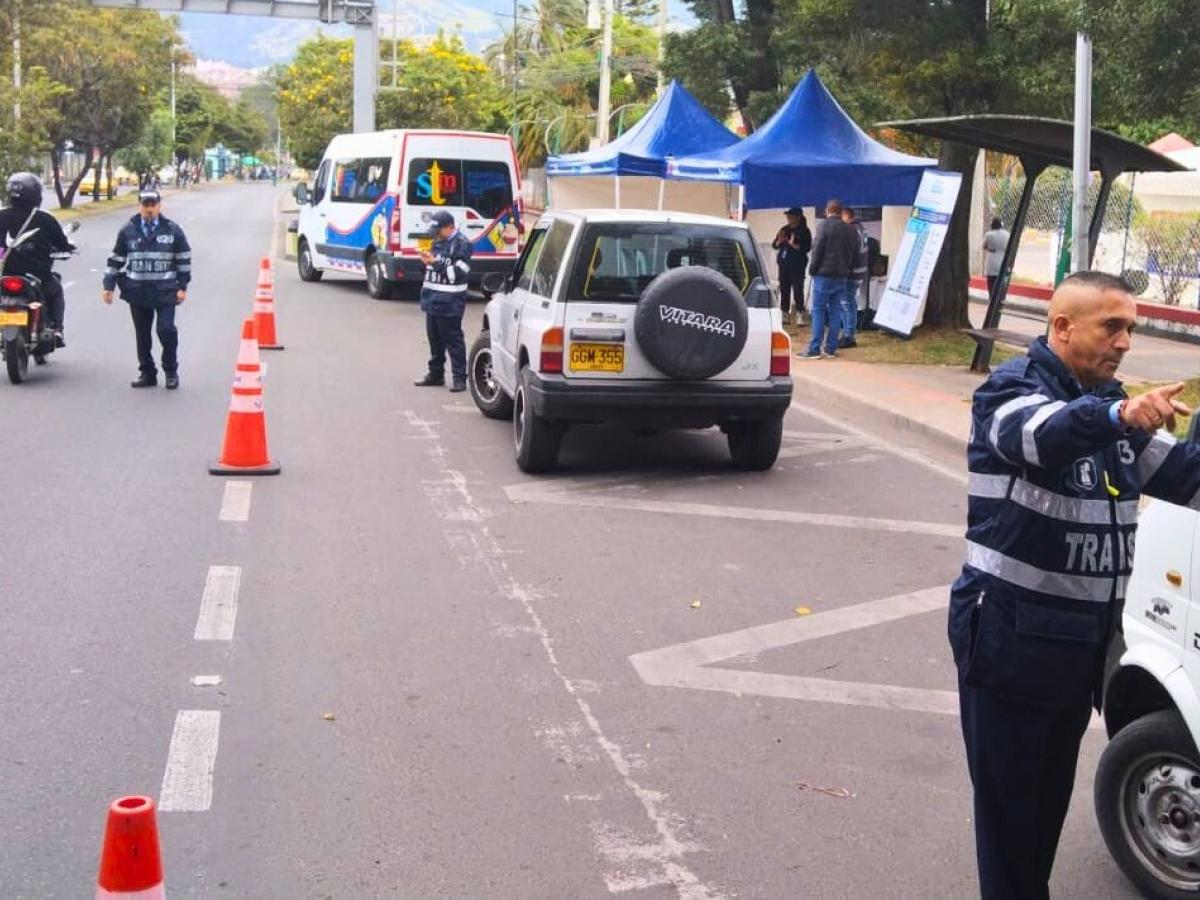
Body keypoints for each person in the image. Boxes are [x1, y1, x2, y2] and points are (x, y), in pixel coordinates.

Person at [948, 270, 1200, 900]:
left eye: (1131, 329)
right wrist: (1118, 413)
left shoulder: (1111, 409)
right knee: (1011, 825)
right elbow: (1042, 437)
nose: (1125, 342)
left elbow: (1184, 476)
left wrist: (1122, 415)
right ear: (1061, 327)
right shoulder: (1010, 391)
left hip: (1076, 651)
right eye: (1112, 326)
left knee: (1042, 816)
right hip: (1010, 644)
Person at [101, 189, 192, 390]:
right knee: (142, 335)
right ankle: (147, 373)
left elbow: (183, 258)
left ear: (159, 206)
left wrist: (182, 286)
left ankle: (171, 371)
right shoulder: (128, 230)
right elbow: (116, 259)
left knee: (166, 330)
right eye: (145, 205)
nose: (149, 209)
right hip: (138, 290)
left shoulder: (172, 230)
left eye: (153, 205)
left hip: (165, 291)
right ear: (139, 206)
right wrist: (109, 285)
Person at [0, 172, 73, 344]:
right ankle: (57, 330)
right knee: (56, 291)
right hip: (37, 276)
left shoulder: (1, 216)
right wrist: (68, 249)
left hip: (5, 275)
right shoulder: (44, 218)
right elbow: (63, 244)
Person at [413, 210, 473, 392]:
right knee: (435, 341)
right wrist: (424, 262)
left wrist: (434, 263)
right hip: (432, 300)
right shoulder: (437, 242)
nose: (436, 235)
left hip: (450, 302)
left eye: (438, 231)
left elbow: (457, 274)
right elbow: (429, 271)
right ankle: (436, 374)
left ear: (449, 227)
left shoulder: (462, 245)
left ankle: (459, 378)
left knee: (453, 342)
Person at [799, 198, 856, 360]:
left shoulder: (823, 226)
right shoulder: (850, 229)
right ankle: (831, 348)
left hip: (823, 274)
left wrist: (812, 269)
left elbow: (817, 250)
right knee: (836, 311)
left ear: (827, 211)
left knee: (818, 310)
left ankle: (814, 348)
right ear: (841, 212)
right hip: (841, 275)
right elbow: (852, 252)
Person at [771, 207, 811, 325]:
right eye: (788, 216)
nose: (789, 218)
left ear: (798, 217)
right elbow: (775, 245)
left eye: (791, 216)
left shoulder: (804, 231)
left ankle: (799, 313)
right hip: (784, 264)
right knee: (784, 288)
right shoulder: (784, 229)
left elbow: (806, 248)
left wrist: (791, 244)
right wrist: (780, 240)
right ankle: (785, 313)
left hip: (797, 264)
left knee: (798, 289)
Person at [839, 206, 869, 348]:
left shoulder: (850, 230)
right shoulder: (860, 228)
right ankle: (847, 333)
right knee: (848, 302)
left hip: (851, 271)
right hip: (859, 270)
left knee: (847, 303)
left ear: (846, 216)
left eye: (841, 217)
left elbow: (848, 253)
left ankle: (849, 335)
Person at [983, 216, 1010, 298]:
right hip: (1003, 258)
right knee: (1001, 282)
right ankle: (1000, 298)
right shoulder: (1007, 234)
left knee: (991, 282)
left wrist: (990, 248)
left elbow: (984, 246)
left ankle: (992, 298)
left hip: (992, 259)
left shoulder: (989, 235)